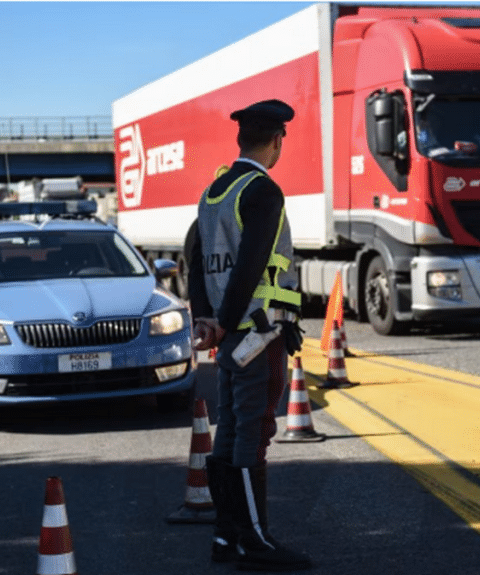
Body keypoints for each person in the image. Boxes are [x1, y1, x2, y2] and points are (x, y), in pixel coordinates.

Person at [187, 99, 310, 571]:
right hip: (256, 334)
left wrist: (205, 318)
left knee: (231, 430)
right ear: (277, 140)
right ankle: (256, 541)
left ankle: (226, 536)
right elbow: (252, 264)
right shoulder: (263, 190)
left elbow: (195, 262)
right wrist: (226, 319)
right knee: (253, 431)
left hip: (228, 336)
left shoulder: (214, 192)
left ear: (241, 140)